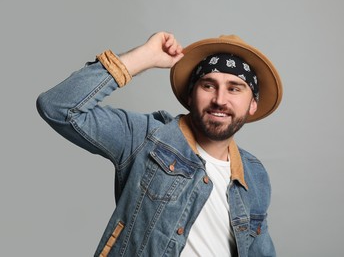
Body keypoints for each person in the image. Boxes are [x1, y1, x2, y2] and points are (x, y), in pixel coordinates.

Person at [36, 31, 282, 257]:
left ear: (252, 105)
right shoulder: (146, 137)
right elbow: (58, 107)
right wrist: (143, 57)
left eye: (234, 89)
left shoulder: (254, 173)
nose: (219, 100)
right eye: (208, 85)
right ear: (190, 95)